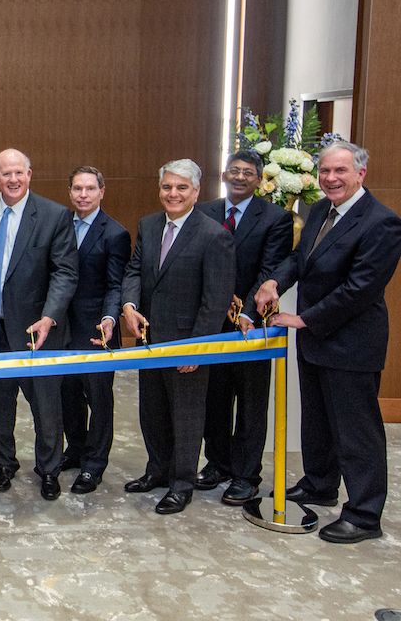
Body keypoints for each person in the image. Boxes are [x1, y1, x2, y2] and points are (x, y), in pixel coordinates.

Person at [252, 141, 401, 544]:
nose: (331, 178)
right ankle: (320, 484)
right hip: (316, 341)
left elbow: (360, 289)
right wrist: (273, 281)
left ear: (361, 174)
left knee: (356, 432)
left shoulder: (382, 223)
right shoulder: (320, 210)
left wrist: (303, 319)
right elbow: (300, 260)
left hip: (351, 345)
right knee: (317, 421)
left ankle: (364, 514)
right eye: (325, 171)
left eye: (340, 171)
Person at [121, 159, 234, 515]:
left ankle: (182, 484)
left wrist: (197, 348)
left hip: (187, 343)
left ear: (196, 192)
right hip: (150, 338)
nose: (173, 193)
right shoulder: (149, 225)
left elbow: (216, 300)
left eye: (182, 187)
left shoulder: (214, 235)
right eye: (167, 186)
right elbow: (134, 270)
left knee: (186, 416)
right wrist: (128, 306)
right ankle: (157, 470)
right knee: (152, 412)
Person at [0, 149, 78, 500]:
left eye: (19, 172)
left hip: (37, 331)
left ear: (29, 174)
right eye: (6, 173)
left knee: (46, 406)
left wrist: (49, 316)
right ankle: (4, 464)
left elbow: (65, 272)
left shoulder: (54, 215)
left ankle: (49, 469)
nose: (13, 179)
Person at [194, 151, 292, 505]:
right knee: (214, 398)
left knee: (251, 402)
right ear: (223, 175)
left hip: (253, 326)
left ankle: (246, 475)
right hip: (212, 323)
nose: (239, 177)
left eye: (248, 173)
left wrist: (246, 311)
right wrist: (217, 303)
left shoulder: (276, 218)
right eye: (233, 171)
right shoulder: (203, 212)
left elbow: (270, 271)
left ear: (259, 180)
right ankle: (218, 463)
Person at [58, 166, 130, 495]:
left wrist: (110, 318)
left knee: (98, 399)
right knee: (68, 395)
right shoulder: (60, 224)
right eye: (77, 188)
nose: (83, 195)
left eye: (90, 189)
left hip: (97, 330)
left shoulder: (115, 233)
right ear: (70, 192)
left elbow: (115, 285)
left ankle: (94, 463)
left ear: (102, 192)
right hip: (62, 329)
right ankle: (75, 449)